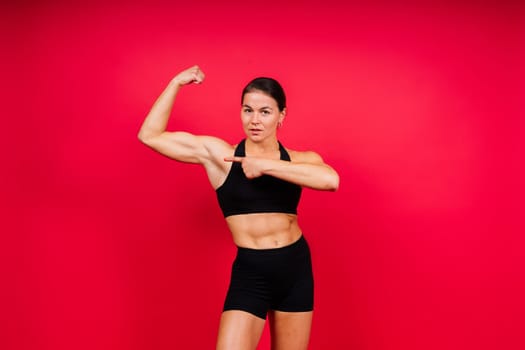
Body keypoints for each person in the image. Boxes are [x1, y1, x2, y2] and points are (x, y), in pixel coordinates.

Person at [138, 65, 339, 350]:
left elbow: (331, 180)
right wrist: (175, 83)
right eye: (248, 110)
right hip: (251, 272)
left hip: (295, 269)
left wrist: (263, 165)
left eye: (265, 112)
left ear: (281, 116)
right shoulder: (221, 157)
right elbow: (150, 135)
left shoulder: (297, 159)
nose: (254, 120)